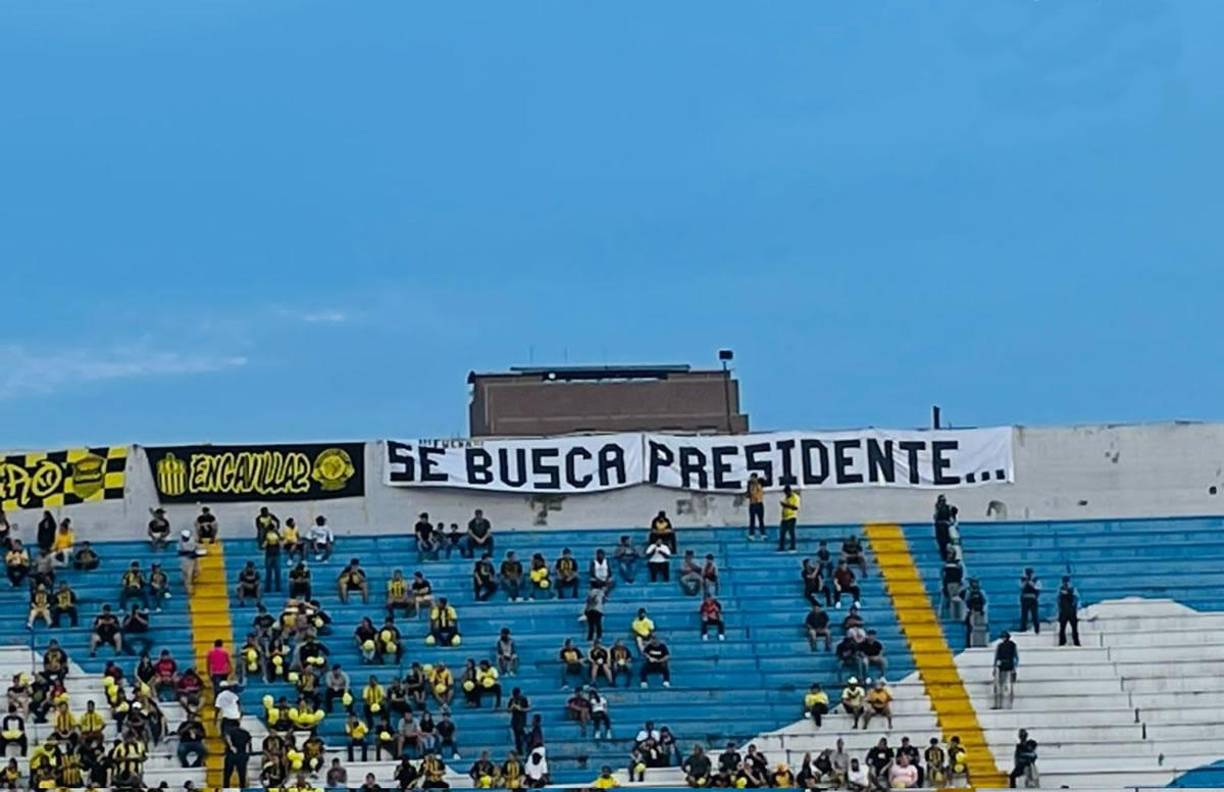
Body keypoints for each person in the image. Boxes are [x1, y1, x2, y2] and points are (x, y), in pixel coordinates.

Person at [994, 631, 1019, 709]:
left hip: (1004, 666)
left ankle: (1002, 704)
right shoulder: (1012, 645)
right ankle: (1008, 704)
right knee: (1008, 686)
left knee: (1003, 685)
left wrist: (994, 667)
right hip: (1008, 666)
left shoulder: (1001, 645)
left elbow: (996, 657)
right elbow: (1016, 657)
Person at [223, 722, 252, 787]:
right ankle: (242, 788)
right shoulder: (245, 732)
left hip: (231, 754)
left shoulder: (230, 730)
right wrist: (248, 754)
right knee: (242, 775)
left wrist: (231, 747)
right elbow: (249, 743)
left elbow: (227, 737)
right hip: (242, 754)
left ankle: (226, 788)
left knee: (227, 775)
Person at [940, 547, 965, 618]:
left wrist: (961, 582)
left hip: (956, 583)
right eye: (948, 553)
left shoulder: (959, 564)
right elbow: (942, 573)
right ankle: (951, 614)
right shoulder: (945, 564)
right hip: (948, 583)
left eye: (950, 553)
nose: (949, 555)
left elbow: (962, 573)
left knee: (956, 598)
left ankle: (958, 614)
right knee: (951, 598)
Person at [507, 688, 531, 755]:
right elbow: (508, 710)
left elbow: (528, 708)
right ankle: (519, 751)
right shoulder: (512, 700)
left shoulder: (523, 699)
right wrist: (512, 708)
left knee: (521, 733)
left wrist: (520, 708)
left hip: (522, 719)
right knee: (516, 737)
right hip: (514, 720)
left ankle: (527, 742)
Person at [1019, 568, 1042, 634]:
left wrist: (1030, 581)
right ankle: (1023, 629)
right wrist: (1026, 581)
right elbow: (1021, 587)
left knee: (1035, 615)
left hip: (1033, 599)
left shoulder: (1036, 580)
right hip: (1025, 599)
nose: (1028, 575)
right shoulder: (1023, 580)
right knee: (1024, 615)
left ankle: (1037, 629)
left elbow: (1037, 587)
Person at [178, 529, 200, 596]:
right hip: (185, 560)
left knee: (196, 572)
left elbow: (196, 548)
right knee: (187, 576)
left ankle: (191, 583)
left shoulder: (192, 541)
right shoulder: (180, 542)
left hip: (193, 559)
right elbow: (180, 552)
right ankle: (189, 590)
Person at [778, 485, 800, 551]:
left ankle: (793, 547)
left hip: (791, 517)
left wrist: (785, 505)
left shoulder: (795, 497)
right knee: (782, 533)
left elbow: (795, 507)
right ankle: (781, 547)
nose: (786, 494)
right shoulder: (786, 497)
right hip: (784, 518)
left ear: (790, 491)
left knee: (791, 533)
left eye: (787, 493)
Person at [746, 472, 766, 539]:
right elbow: (748, 494)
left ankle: (763, 534)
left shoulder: (760, 484)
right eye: (751, 478)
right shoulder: (750, 485)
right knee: (752, 519)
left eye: (753, 478)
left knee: (761, 519)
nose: (752, 479)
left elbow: (764, 480)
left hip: (759, 503)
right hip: (752, 503)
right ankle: (751, 534)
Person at [934, 495, 954, 560]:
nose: (943, 502)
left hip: (946, 530)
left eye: (944, 500)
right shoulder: (938, 508)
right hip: (940, 530)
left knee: (947, 543)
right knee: (942, 544)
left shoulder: (947, 508)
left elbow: (951, 518)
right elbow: (936, 519)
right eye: (942, 501)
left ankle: (948, 556)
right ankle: (944, 556)